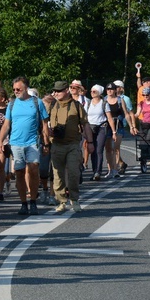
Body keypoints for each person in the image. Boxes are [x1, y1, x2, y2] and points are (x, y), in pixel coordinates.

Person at [0, 77, 50, 216]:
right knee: (19, 172)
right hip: (15, 143)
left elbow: (45, 124)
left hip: (32, 141)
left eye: (18, 89)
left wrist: (46, 142)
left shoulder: (36, 102)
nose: (15, 92)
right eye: (14, 89)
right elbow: (6, 124)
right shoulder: (12, 104)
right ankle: (23, 203)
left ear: (26, 87)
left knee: (33, 169)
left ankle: (33, 201)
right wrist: (0, 141)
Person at [48, 81, 94, 213]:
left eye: (59, 91)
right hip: (56, 144)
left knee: (74, 172)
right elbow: (44, 124)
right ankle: (62, 201)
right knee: (58, 175)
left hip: (73, 144)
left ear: (67, 90)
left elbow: (85, 124)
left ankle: (74, 199)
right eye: (55, 91)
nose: (56, 93)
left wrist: (90, 143)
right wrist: (47, 137)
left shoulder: (76, 105)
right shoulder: (52, 105)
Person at [104, 82, 137, 178]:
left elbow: (126, 114)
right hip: (107, 125)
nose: (109, 91)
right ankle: (110, 169)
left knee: (116, 148)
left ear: (115, 90)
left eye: (111, 89)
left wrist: (131, 126)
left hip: (118, 125)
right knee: (108, 149)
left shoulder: (120, 100)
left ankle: (115, 169)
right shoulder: (104, 100)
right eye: (108, 89)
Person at [85, 84, 117, 181]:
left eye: (94, 91)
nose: (92, 93)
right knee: (92, 150)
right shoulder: (88, 103)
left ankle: (98, 172)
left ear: (99, 93)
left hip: (102, 127)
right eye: (91, 91)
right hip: (90, 128)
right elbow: (85, 117)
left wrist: (114, 132)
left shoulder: (104, 103)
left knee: (99, 150)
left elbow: (110, 118)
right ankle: (94, 171)